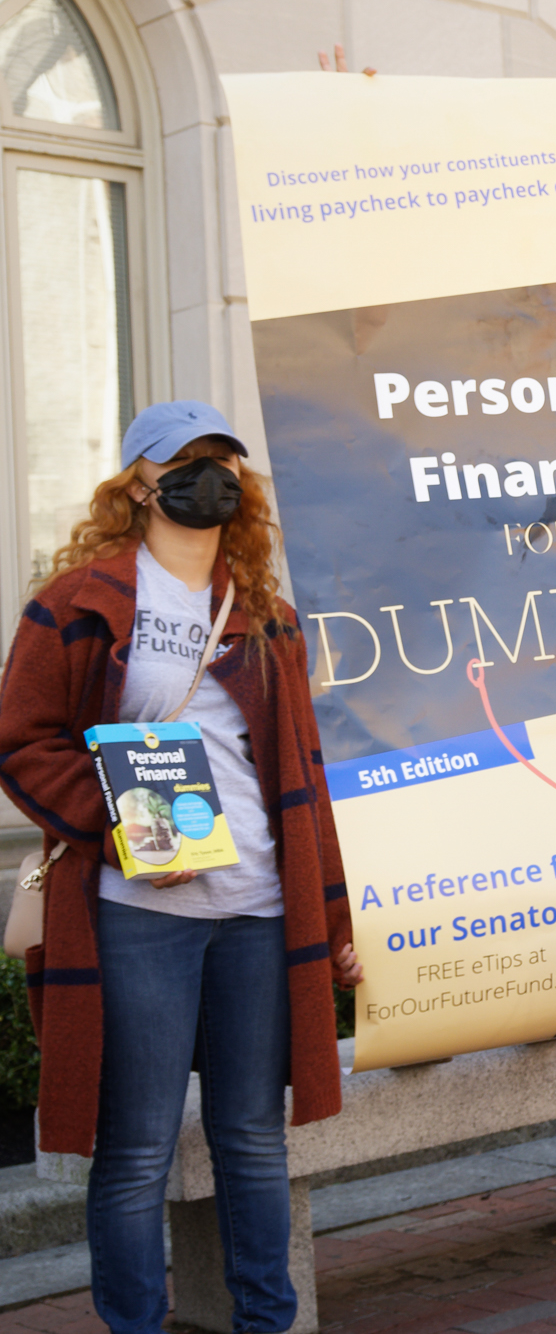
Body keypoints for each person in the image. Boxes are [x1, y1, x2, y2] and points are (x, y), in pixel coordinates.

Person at [0, 401, 360, 1334]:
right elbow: (23, 738)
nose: (208, 476)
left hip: (258, 904)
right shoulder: (78, 599)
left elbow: (304, 778)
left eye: (221, 460)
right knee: (137, 1147)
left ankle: (267, 1321)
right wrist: (117, 828)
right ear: (136, 482)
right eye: (184, 460)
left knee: (250, 1137)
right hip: (135, 909)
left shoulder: (269, 614)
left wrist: (336, 921)